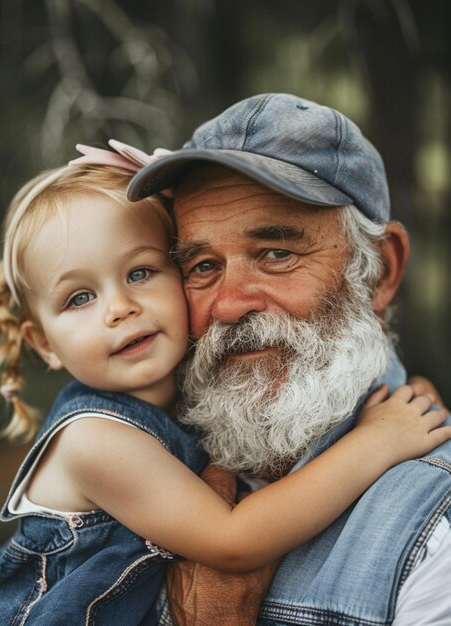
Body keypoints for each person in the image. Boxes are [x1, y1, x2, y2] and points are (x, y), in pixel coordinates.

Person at [0, 160, 448, 626]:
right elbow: (235, 541)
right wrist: (376, 442)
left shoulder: (195, 398)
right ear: (43, 343)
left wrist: (403, 393)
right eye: (80, 297)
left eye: (140, 272)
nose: (120, 307)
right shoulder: (93, 441)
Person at [126, 93, 451, 625]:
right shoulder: (147, 460)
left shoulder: (435, 527)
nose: (229, 305)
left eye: (277, 254)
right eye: (203, 265)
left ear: (380, 272)